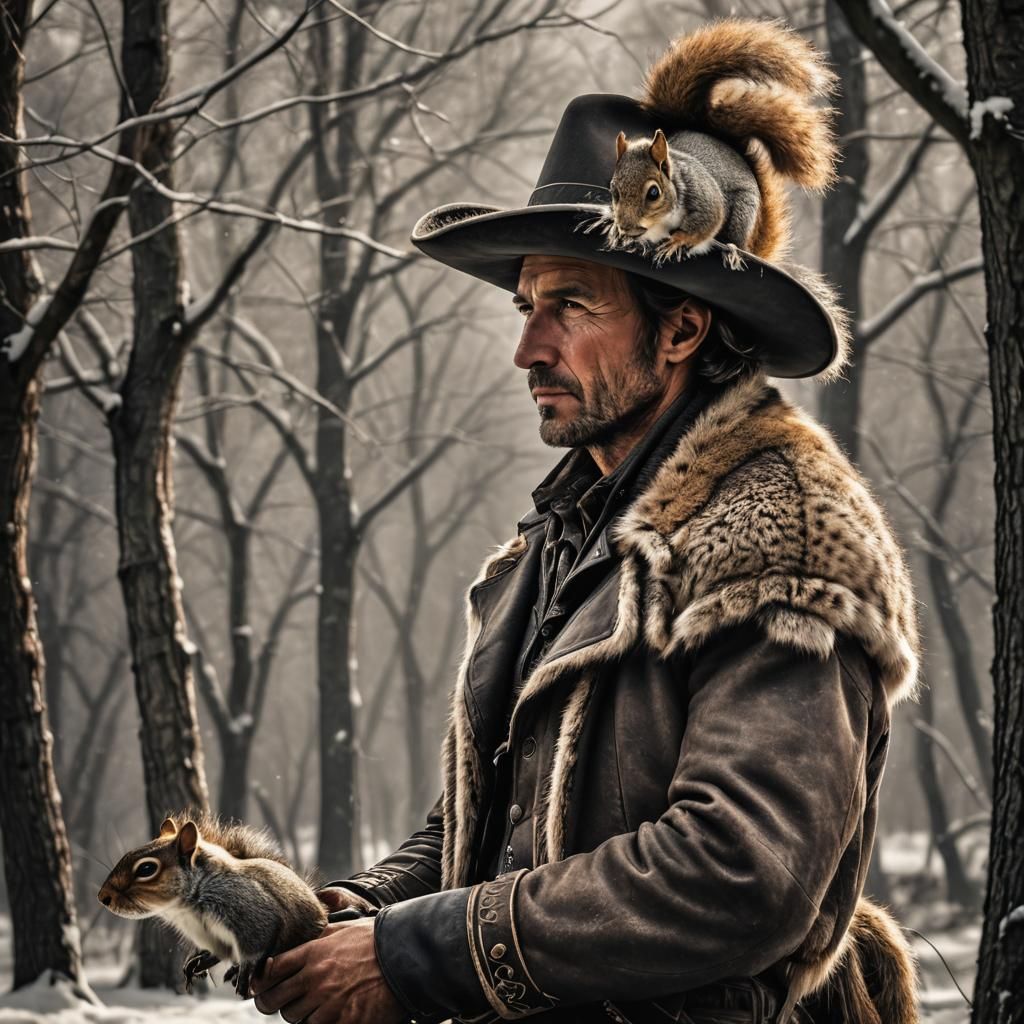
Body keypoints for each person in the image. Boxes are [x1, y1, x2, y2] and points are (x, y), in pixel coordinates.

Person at [251, 40, 923, 1024]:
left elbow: (741, 870)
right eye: (527, 305)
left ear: (681, 329)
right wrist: (361, 914)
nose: (528, 348)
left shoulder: (779, 530)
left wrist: (418, 954)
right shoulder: (552, 548)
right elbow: (489, 824)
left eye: (569, 305)